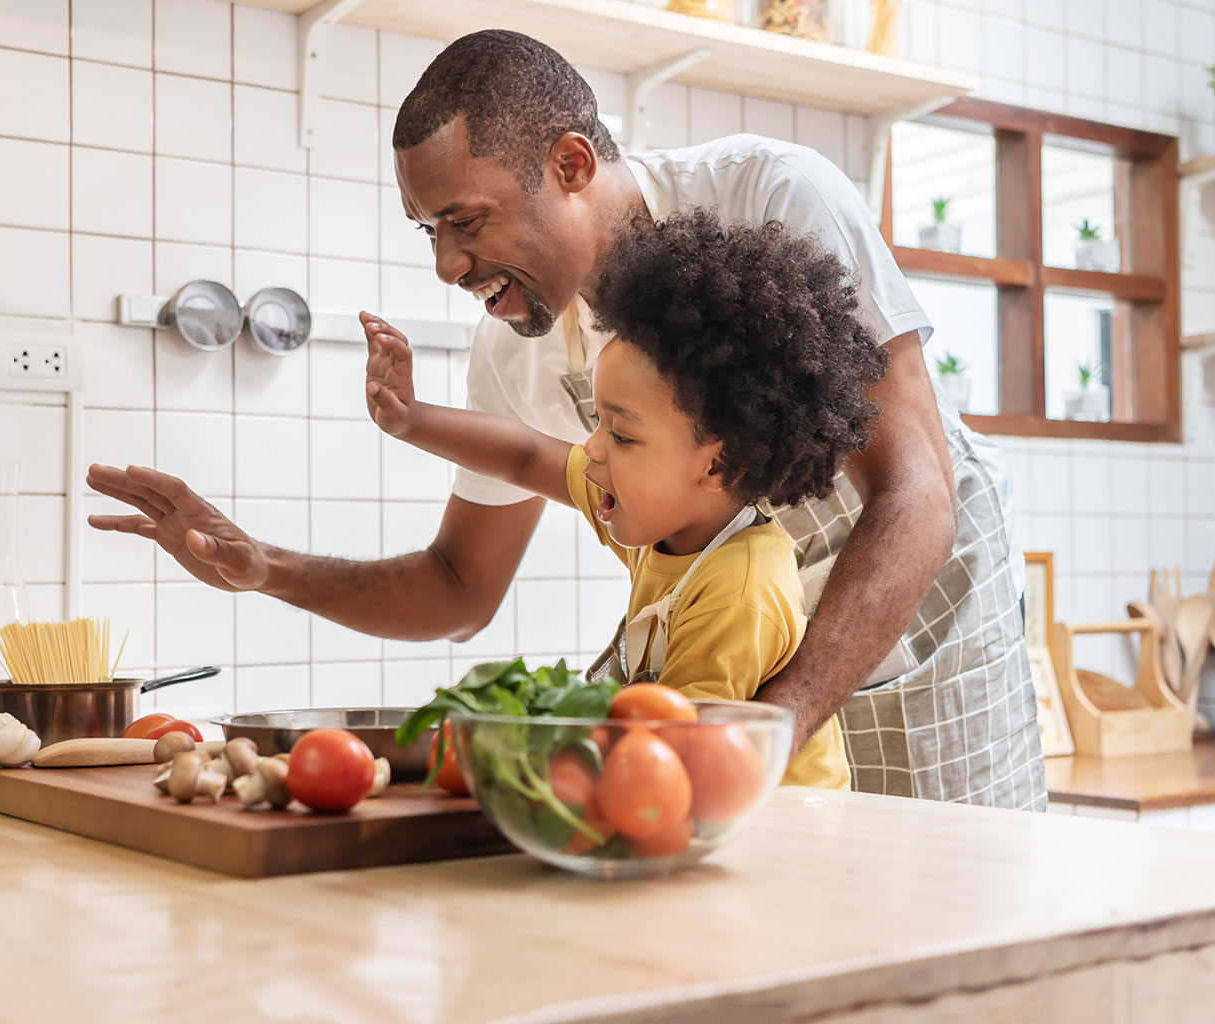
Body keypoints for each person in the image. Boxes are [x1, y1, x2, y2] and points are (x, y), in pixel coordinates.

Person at [88, 29, 1046, 810]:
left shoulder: (771, 198)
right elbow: (460, 584)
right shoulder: (515, 345)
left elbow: (917, 491)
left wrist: (781, 723)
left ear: (572, 162)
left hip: (920, 635)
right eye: (429, 232)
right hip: (738, 690)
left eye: (465, 221)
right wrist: (263, 567)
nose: (447, 268)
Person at [362, 208, 885, 789]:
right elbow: (526, 457)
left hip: (783, 842)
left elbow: (679, 764)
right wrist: (413, 420)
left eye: (622, 433)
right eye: (600, 421)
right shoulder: (669, 520)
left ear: (717, 465)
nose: (593, 447)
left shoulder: (740, 591)